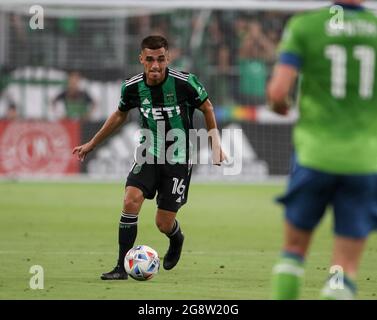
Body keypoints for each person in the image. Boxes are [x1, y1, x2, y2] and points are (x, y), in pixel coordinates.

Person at [73, 35, 226, 280]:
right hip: (148, 154)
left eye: (161, 59)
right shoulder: (132, 86)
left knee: (163, 223)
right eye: (150, 60)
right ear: (141, 59)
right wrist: (92, 143)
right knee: (130, 201)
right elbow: (120, 115)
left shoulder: (185, 83)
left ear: (168, 58)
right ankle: (121, 268)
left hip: (179, 159)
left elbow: (207, 107)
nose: (156, 65)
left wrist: (214, 143)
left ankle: (176, 238)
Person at [267, 0, 377, 299]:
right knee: (344, 268)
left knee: (293, 252)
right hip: (364, 161)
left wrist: (282, 106)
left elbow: (278, 93)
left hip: (314, 156)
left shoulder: (306, 25)